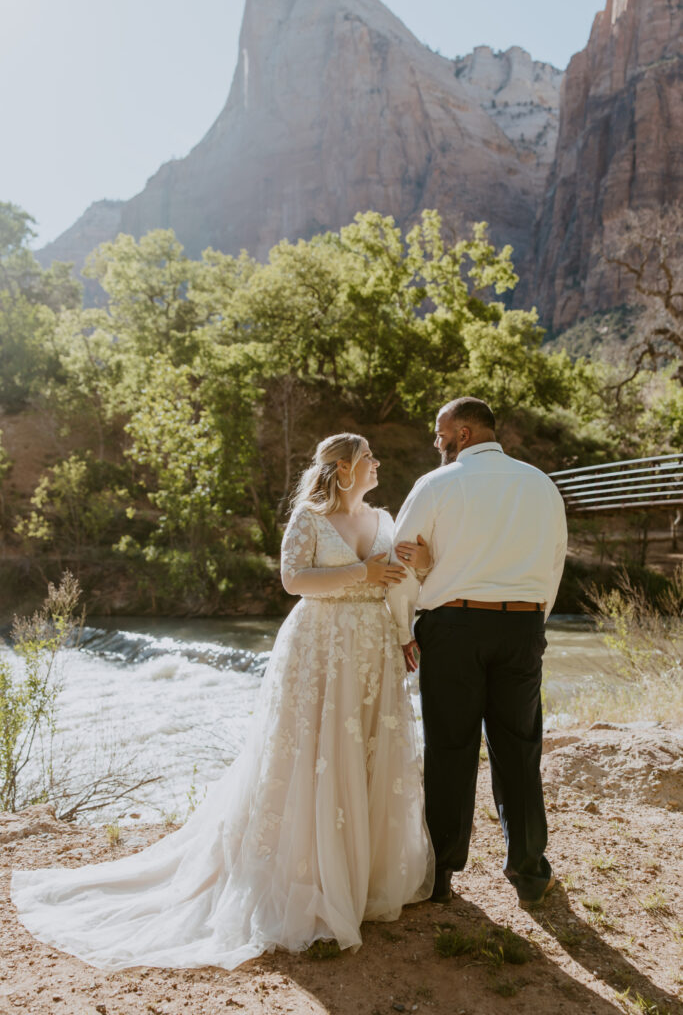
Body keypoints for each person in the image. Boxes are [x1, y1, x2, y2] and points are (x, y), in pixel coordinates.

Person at [12, 433, 434, 970]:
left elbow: (398, 583)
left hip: (372, 648)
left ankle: (361, 879)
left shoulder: (385, 519)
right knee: (310, 752)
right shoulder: (307, 517)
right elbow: (293, 580)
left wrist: (403, 629)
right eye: (369, 457)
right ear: (345, 469)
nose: (378, 463)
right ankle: (309, 882)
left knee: (366, 751)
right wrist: (362, 573)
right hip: (318, 646)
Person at [387, 397, 567, 909]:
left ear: (463, 434)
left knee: (450, 749)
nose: (435, 442)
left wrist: (404, 629)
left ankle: (440, 876)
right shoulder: (540, 484)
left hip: (453, 628)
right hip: (522, 626)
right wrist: (533, 623)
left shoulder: (437, 484)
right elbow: (554, 565)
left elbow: (401, 556)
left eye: (439, 432)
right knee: (519, 750)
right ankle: (530, 874)